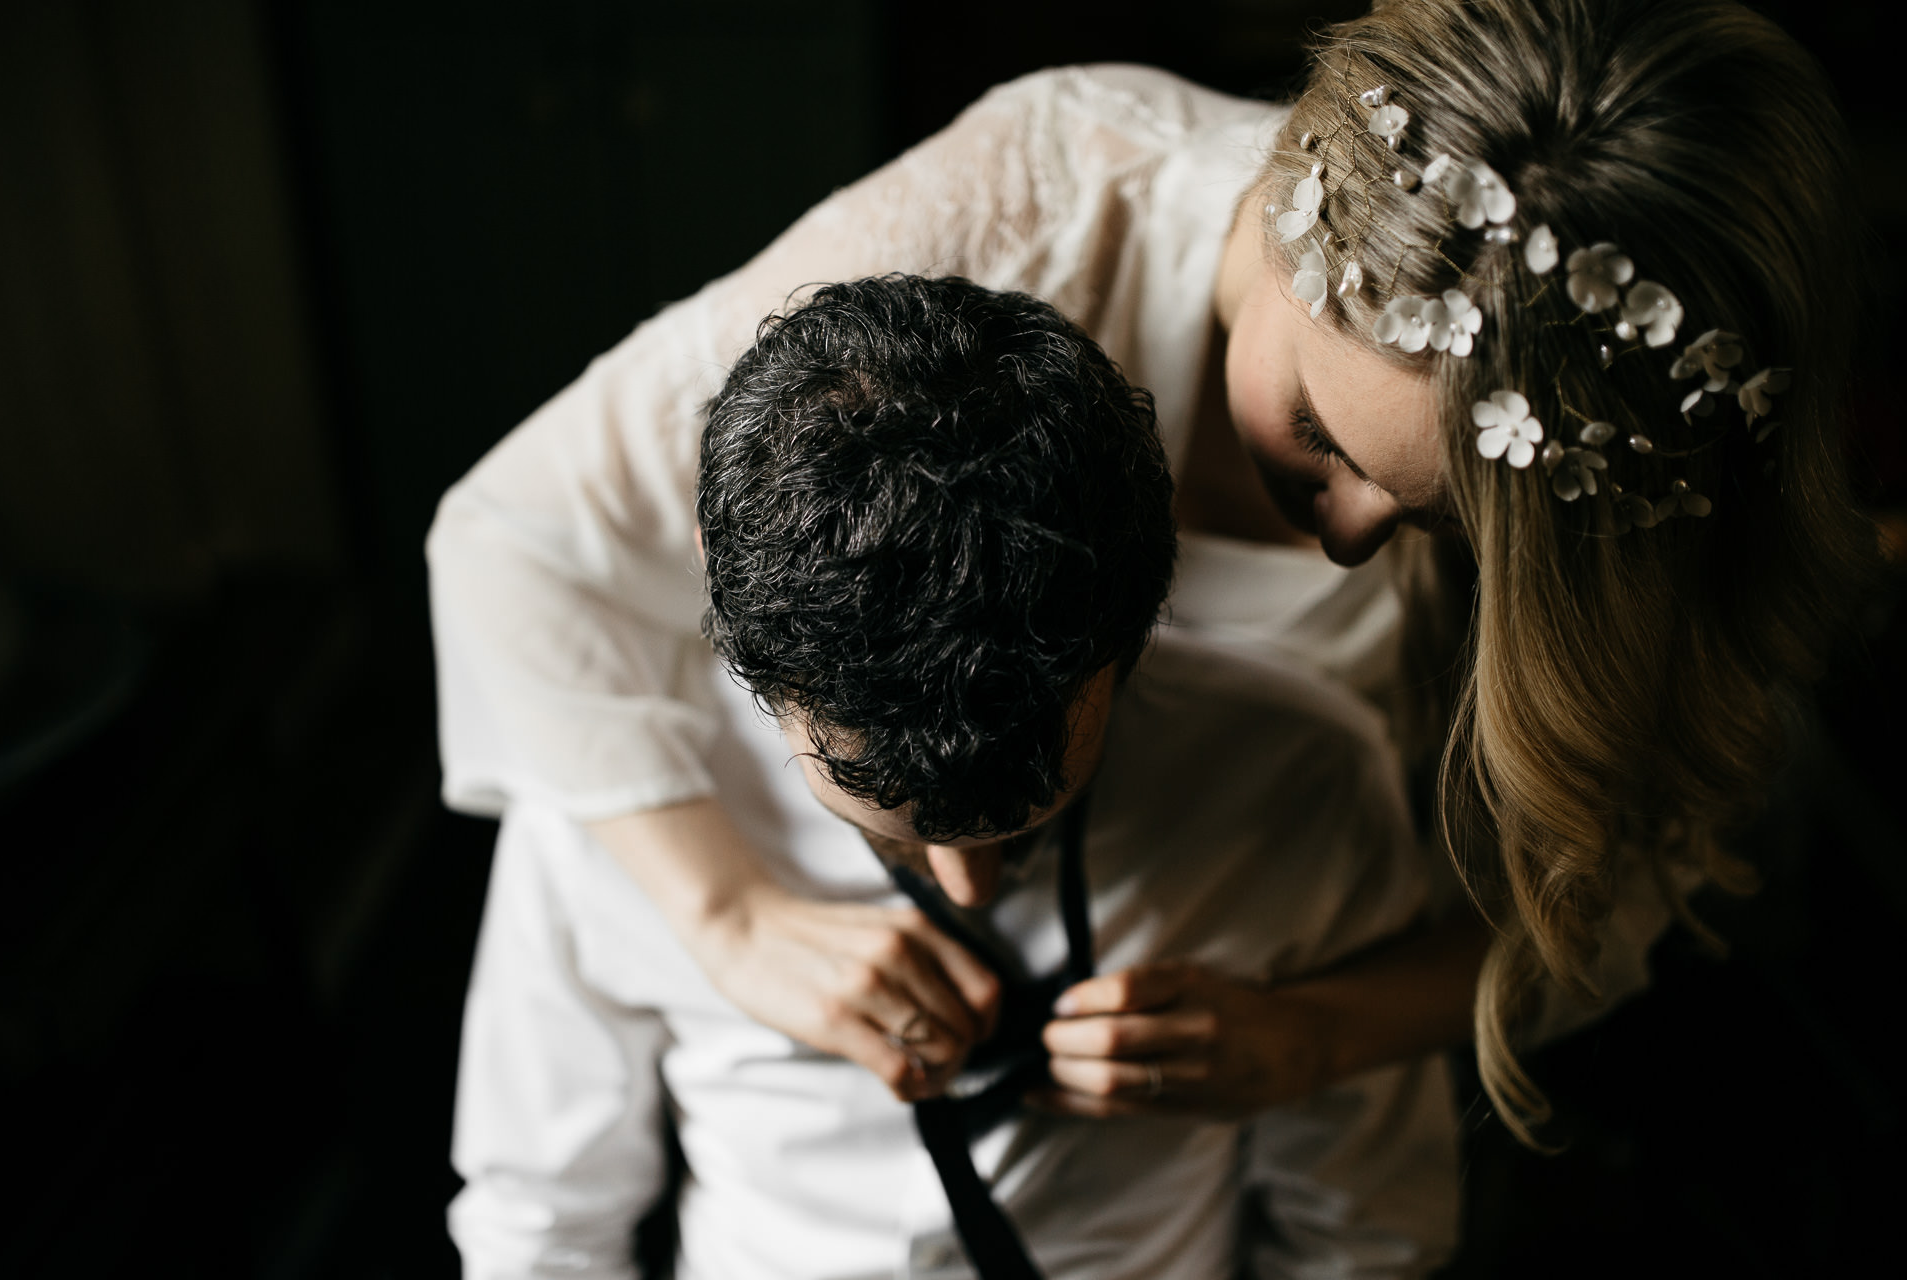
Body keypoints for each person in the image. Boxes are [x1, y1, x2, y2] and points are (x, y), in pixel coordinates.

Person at [431, 0, 1873, 1197]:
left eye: (1438, 520)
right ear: (1292, 215)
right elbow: (517, 537)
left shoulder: (1597, 499)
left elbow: (1614, 886)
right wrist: (733, 912)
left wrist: (1316, 1039)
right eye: (1320, 437)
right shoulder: (1028, 215)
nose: (1361, 543)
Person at [448, 275, 1456, 1278]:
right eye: (884, 822)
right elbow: (539, 1223)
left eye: (1022, 823)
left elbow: (1367, 1233)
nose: (968, 885)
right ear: (722, 587)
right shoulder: (611, 782)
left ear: (1141, 611)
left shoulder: (1305, 778)